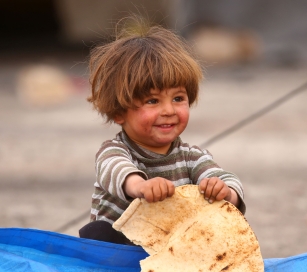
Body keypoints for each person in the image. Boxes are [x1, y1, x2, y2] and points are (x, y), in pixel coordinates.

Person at [79, 19, 246, 244]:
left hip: (169, 251)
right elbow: (116, 169)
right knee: (96, 232)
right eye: (152, 101)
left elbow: (226, 179)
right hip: (121, 249)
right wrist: (140, 186)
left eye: (178, 98)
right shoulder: (114, 151)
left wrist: (224, 191)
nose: (168, 110)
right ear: (119, 112)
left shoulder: (191, 157)